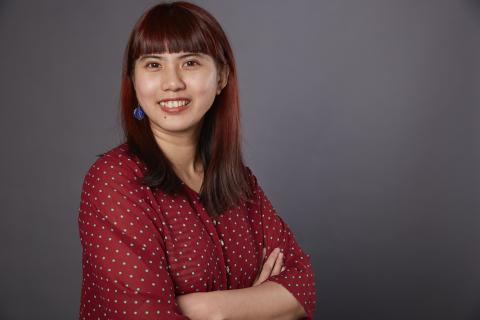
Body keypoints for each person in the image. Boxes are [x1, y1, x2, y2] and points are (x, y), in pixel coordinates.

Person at [77, 1, 317, 319]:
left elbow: (303, 288)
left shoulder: (242, 185)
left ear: (221, 77)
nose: (172, 81)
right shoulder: (114, 182)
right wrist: (256, 305)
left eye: (190, 63)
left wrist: (205, 309)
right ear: (133, 82)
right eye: (153, 64)